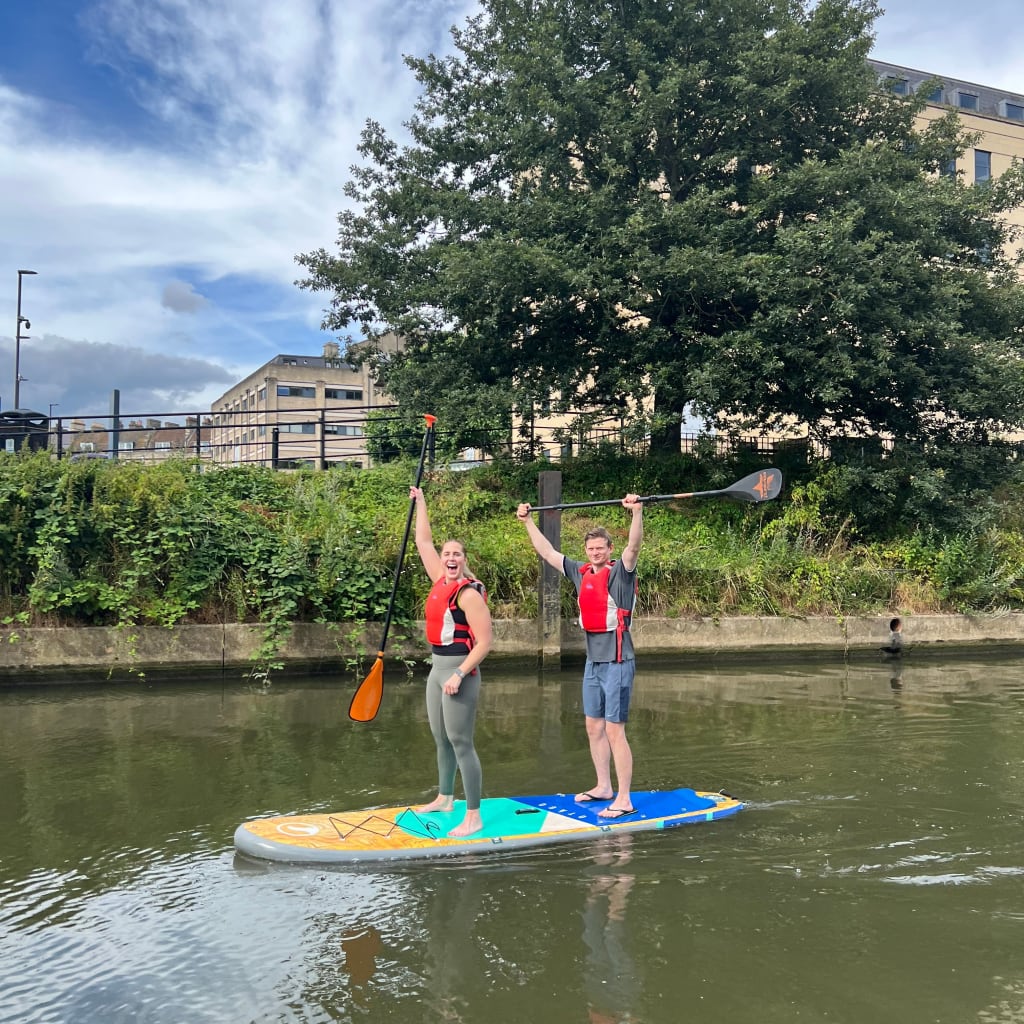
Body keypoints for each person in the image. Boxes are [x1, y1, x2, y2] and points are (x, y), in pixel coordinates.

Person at [516, 494, 643, 819]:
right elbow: (547, 552)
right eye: (591, 548)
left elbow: (634, 547)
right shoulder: (579, 571)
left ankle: (624, 799)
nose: (595, 552)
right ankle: (604, 787)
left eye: (601, 548)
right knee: (593, 726)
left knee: (614, 730)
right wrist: (527, 521)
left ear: (609, 549)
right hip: (593, 661)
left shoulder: (621, 573)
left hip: (617, 660)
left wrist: (636, 513)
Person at [410, 486, 492, 838]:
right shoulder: (439, 580)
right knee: (440, 738)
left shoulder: (469, 593)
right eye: (446, 554)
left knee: (461, 741)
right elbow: (423, 542)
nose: (450, 558)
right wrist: (421, 502)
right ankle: (445, 798)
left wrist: (459, 674)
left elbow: (485, 642)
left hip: (461, 671)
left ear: (464, 559)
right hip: (436, 668)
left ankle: (473, 815)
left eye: (457, 554)